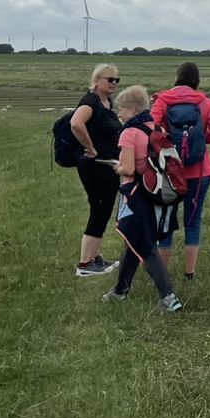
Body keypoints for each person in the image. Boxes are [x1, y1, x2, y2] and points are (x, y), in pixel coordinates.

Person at [104, 84, 183, 312]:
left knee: (145, 247)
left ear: (132, 109)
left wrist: (116, 167)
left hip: (135, 195)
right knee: (133, 241)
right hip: (155, 194)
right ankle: (120, 290)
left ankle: (168, 298)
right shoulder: (155, 127)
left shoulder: (129, 133)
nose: (118, 114)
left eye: (121, 109)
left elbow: (128, 167)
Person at [149, 61, 210, 283]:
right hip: (200, 170)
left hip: (169, 170)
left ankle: (162, 272)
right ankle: (189, 273)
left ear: (176, 77)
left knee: (166, 219)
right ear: (197, 80)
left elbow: (151, 129)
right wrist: (201, 140)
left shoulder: (162, 101)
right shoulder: (205, 102)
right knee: (193, 220)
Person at [68, 62, 123, 276]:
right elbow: (76, 123)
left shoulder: (107, 102)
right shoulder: (90, 102)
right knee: (100, 209)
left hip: (107, 165)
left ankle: (94, 257)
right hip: (95, 165)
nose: (114, 83)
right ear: (97, 80)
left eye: (117, 80)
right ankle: (85, 264)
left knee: (103, 208)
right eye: (110, 79)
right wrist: (90, 148)